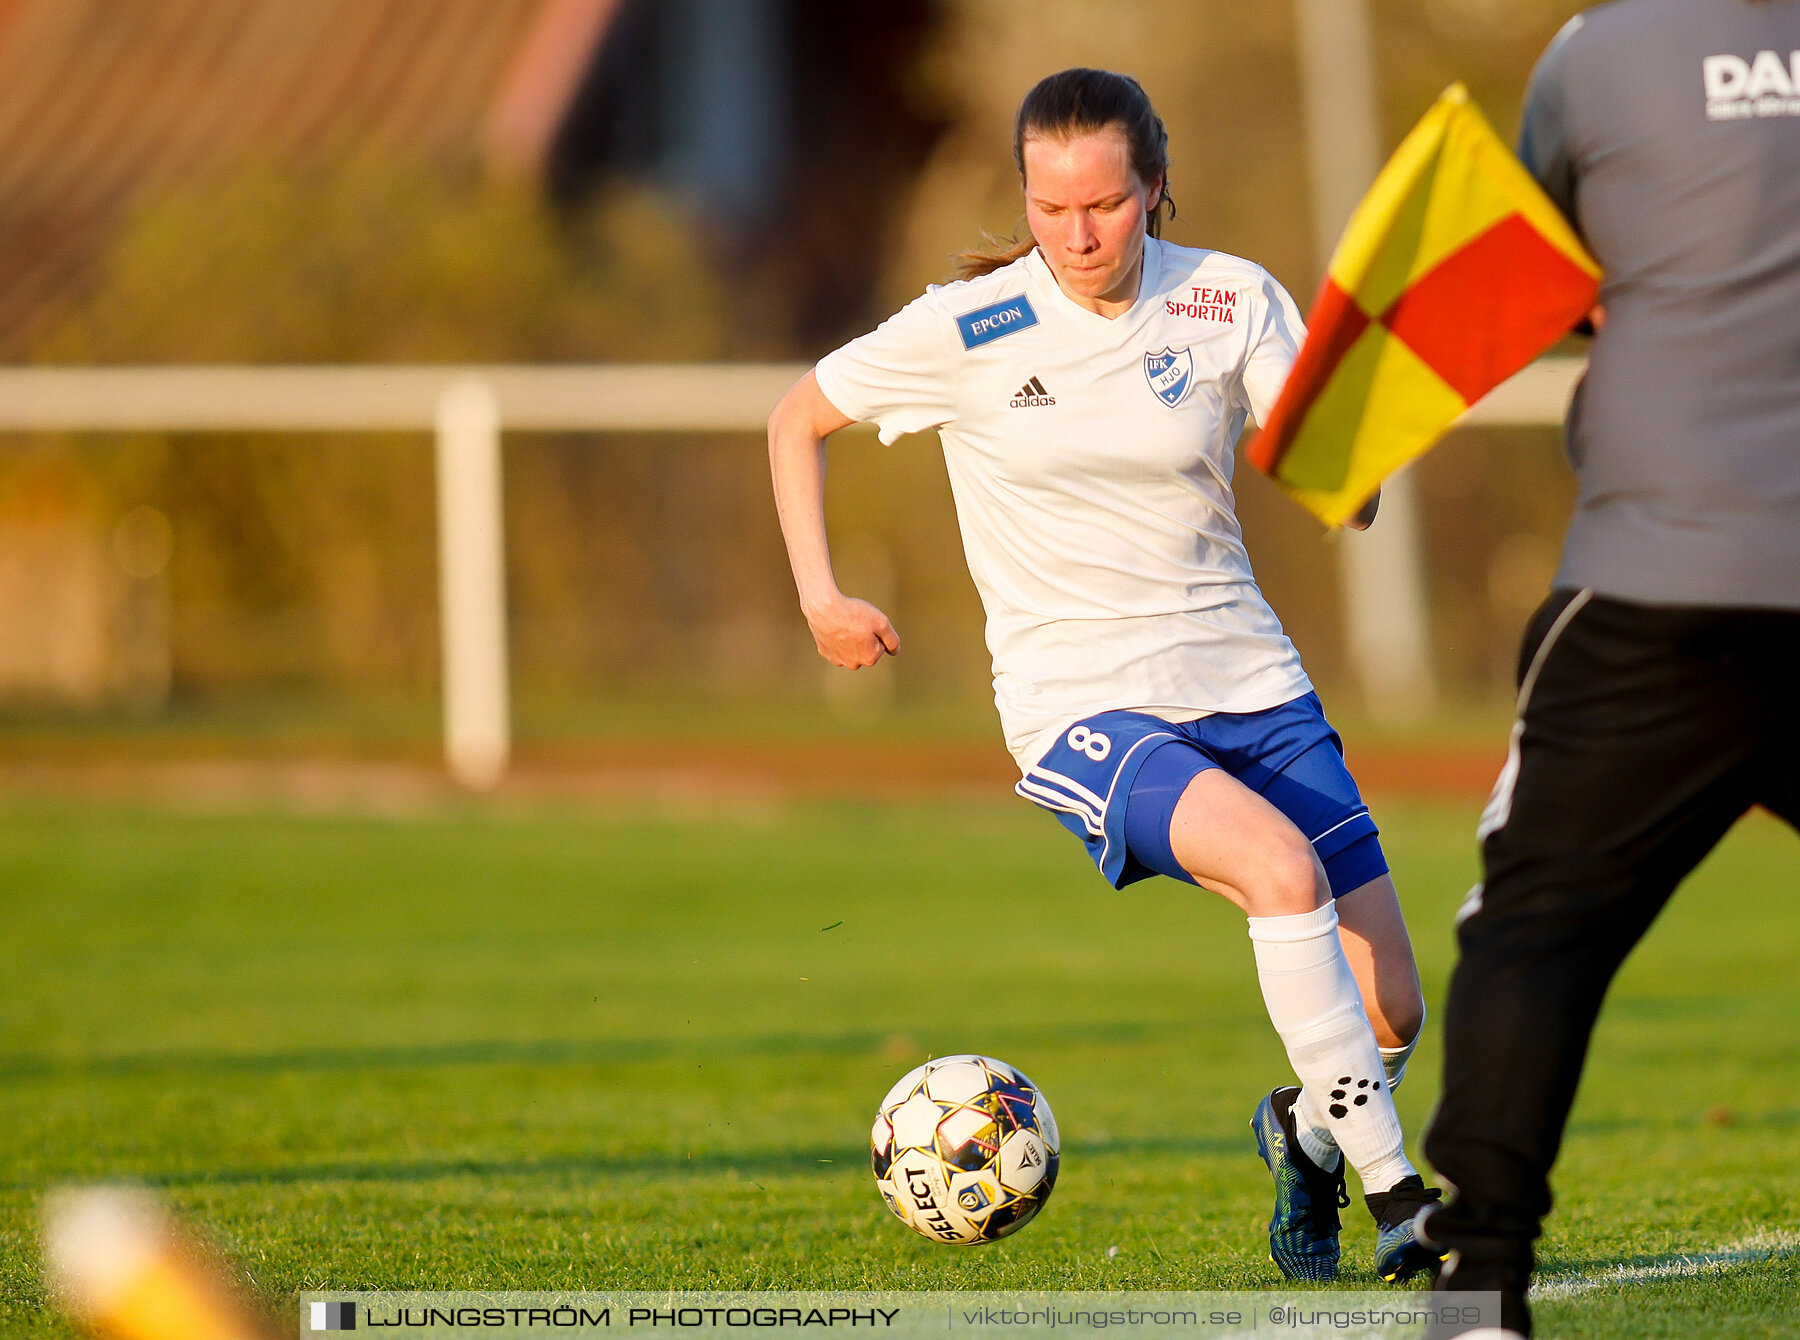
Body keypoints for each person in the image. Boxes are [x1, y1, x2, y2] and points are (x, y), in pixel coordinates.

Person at [768, 67, 1444, 1283]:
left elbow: (1334, 468)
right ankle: (1400, 1192)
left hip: (1251, 680)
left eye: (1107, 205)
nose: (1078, 236)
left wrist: (1354, 470)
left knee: (1393, 1009)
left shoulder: (1231, 298)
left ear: (1156, 188)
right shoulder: (966, 329)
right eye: (1049, 207)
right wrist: (823, 596)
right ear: (1024, 198)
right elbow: (794, 418)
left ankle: (1303, 1130)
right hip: (1082, 703)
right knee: (1280, 873)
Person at [1420, 3, 1800, 1336]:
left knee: (1534, 930)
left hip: (1660, 572)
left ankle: (1478, 1287)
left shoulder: (1596, 55)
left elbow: (1531, 271)